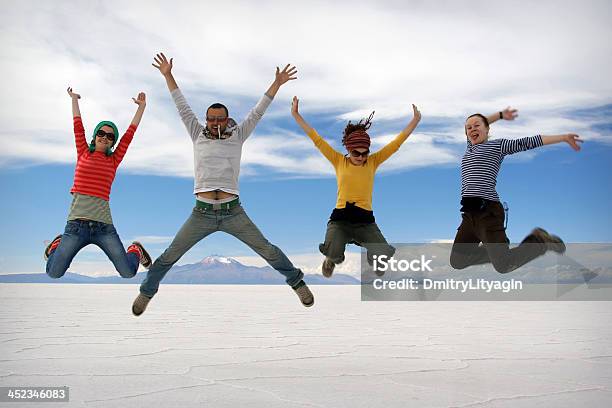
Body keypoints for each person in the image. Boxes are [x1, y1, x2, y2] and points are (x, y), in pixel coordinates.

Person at [132, 53, 313, 316]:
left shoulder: (238, 135)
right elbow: (181, 105)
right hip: (201, 213)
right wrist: (167, 74)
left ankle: (297, 283)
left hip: (233, 212)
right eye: (211, 118)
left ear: (228, 120)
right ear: (206, 120)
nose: (216, 123)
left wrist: (277, 83)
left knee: (267, 250)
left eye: (220, 119)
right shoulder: (196, 133)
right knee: (171, 254)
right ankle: (146, 292)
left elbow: (258, 111)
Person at [291, 96, 421, 277]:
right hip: (340, 220)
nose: (361, 157)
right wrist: (296, 114)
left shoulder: (373, 162)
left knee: (383, 252)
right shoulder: (338, 161)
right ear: (348, 149)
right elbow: (316, 138)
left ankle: (375, 257)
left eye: (364, 153)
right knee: (334, 253)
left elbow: (396, 143)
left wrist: (415, 120)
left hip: (365, 222)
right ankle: (331, 258)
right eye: (356, 153)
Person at [449, 108, 583, 273]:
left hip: (488, 214)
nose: (472, 129)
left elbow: (529, 141)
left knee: (503, 266)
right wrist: (499, 115)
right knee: (458, 260)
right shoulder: (470, 148)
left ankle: (538, 241)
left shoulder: (498, 146)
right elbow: (480, 124)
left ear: (487, 129)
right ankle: (498, 250)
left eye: (477, 125)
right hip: (469, 216)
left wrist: (562, 137)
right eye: (468, 128)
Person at [44, 87, 151, 279]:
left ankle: (135, 250)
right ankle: (55, 247)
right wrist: (74, 100)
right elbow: (77, 125)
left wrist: (141, 108)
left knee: (127, 272)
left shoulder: (114, 160)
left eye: (110, 136)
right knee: (53, 272)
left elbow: (129, 134)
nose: (105, 137)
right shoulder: (83, 152)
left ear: (112, 143)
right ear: (95, 136)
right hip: (76, 226)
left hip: (103, 227)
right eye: (101, 133)